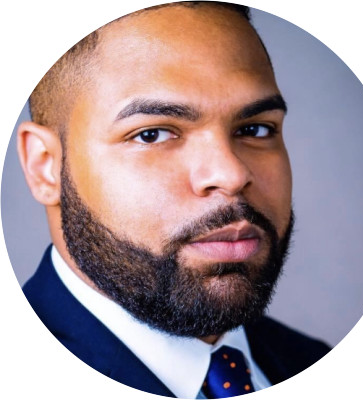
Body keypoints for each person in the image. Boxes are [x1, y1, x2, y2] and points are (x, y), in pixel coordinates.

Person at [17, 2, 330, 398]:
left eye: (255, 128)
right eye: (152, 134)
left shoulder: (311, 362)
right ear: (45, 166)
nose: (231, 175)